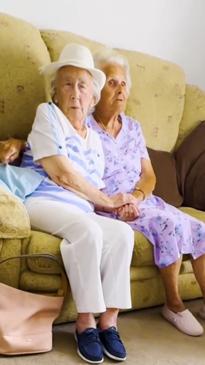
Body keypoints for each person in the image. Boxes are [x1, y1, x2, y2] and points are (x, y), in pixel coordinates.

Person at [5, 44, 137, 364]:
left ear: (93, 96)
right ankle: (85, 323)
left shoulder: (94, 137)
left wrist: (120, 206)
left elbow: (96, 188)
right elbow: (62, 174)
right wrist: (106, 201)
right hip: (43, 199)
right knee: (88, 231)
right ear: (55, 90)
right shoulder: (47, 114)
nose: (75, 92)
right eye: (67, 84)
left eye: (82, 85)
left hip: (80, 207)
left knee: (122, 234)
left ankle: (109, 322)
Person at [84, 49, 205, 337]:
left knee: (201, 229)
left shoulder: (134, 128)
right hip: (105, 203)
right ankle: (173, 305)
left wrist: (137, 197)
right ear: (98, 88)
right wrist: (116, 204)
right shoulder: (83, 125)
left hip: (142, 201)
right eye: (113, 83)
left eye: (124, 83)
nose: (121, 89)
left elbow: (149, 175)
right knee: (169, 224)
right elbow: (78, 169)